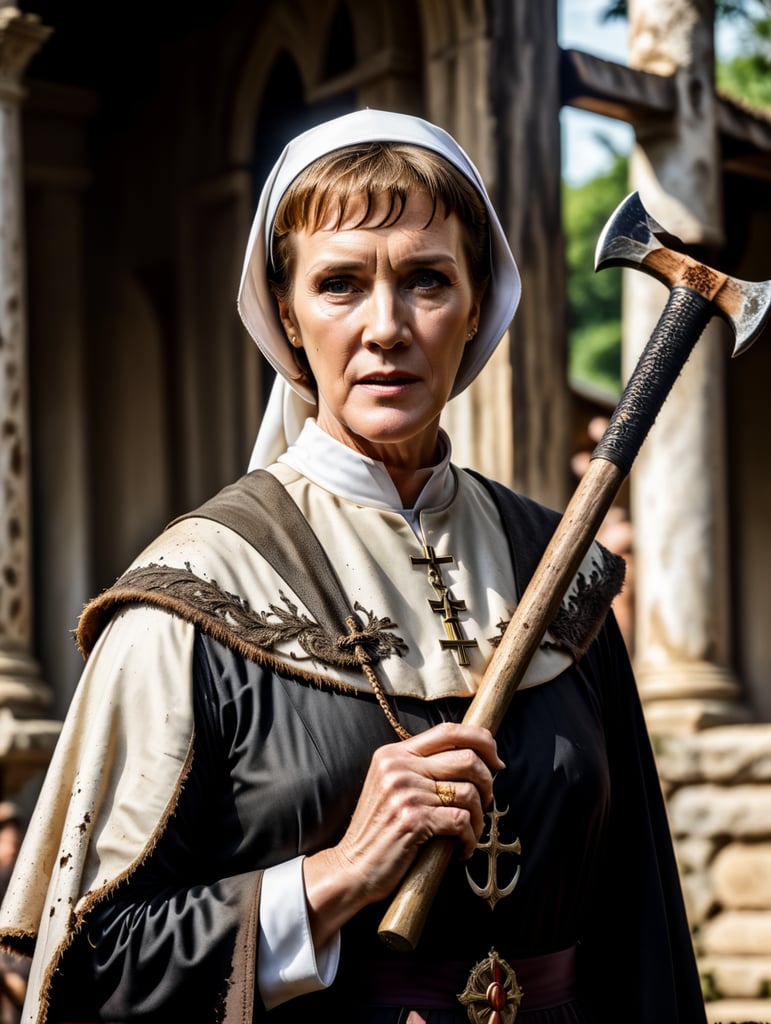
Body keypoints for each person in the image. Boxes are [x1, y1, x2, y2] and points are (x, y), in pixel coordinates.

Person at [0, 109, 706, 1023]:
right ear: (287, 315)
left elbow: (639, 930)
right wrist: (331, 879)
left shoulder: (559, 570)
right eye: (339, 284)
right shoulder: (192, 594)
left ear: (477, 302)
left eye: (425, 280)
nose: (386, 326)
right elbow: (88, 973)